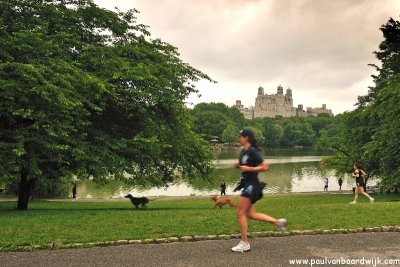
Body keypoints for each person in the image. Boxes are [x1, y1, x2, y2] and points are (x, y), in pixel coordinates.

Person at [231, 128, 287, 253]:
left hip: (252, 184)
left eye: (240, 136)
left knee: (240, 212)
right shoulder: (243, 151)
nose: (238, 138)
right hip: (248, 184)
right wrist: (238, 166)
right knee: (250, 214)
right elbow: (245, 165)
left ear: (246, 138)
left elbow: (265, 167)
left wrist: (249, 169)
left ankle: (245, 243)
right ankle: (278, 222)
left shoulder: (252, 151)